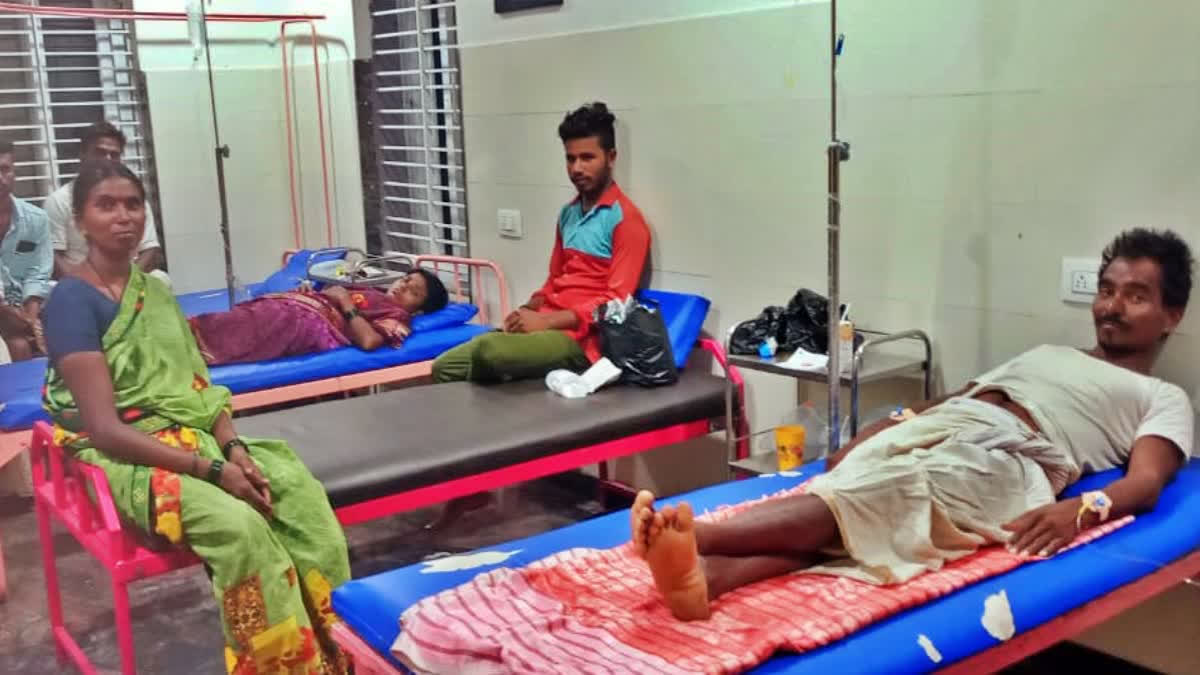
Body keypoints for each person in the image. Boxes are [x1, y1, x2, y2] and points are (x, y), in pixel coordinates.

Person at [632, 227, 1194, 621]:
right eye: (1106, 290)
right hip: (950, 421)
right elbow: (962, 394)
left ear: (1173, 315)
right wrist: (887, 425)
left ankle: (701, 535)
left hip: (1018, 455)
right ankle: (708, 579)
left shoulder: (1162, 396)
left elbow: (1145, 482)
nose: (1112, 306)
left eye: (1136, 296)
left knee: (890, 493)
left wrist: (1082, 508)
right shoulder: (1048, 351)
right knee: (850, 489)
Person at [40, 160, 351, 673]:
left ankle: (340, 651)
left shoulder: (156, 292)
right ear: (79, 219)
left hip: (197, 442)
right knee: (240, 529)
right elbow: (104, 429)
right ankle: (280, 665)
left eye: (133, 204)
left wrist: (234, 449)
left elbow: (201, 392)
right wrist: (211, 471)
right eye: (106, 205)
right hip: (126, 453)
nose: (123, 216)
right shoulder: (71, 302)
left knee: (301, 499)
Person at [432, 101, 651, 383]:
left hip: (581, 342)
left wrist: (547, 322)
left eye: (587, 158)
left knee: (488, 351)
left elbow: (613, 306)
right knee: (444, 367)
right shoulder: (568, 214)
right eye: (570, 159)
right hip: (546, 324)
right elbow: (554, 281)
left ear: (611, 157)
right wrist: (528, 309)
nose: (577, 168)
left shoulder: (626, 220)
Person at [188, 270, 448, 366]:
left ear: (419, 310)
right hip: (298, 307)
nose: (402, 286)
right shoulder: (373, 292)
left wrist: (344, 301)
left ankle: (183, 345)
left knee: (245, 326)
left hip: (307, 323)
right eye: (406, 279)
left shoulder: (398, 316)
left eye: (413, 292)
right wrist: (309, 293)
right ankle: (181, 339)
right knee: (241, 317)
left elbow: (369, 341)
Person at [44, 120, 167, 283]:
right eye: (99, 152)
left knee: (160, 279)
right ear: (82, 154)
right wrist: (89, 288)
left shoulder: (134, 197)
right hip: (81, 284)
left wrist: (124, 285)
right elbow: (54, 257)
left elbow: (150, 249)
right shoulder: (59, 200)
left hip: (130, 280)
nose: (107, 159)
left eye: (114, 155)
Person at [0, 139, 52, 361]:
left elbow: (38, 271)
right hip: (4, 308)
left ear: (14, 171)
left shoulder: (36, 219)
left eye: (4, 169)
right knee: (16, 344)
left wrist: (31, 318)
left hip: (25, 304)